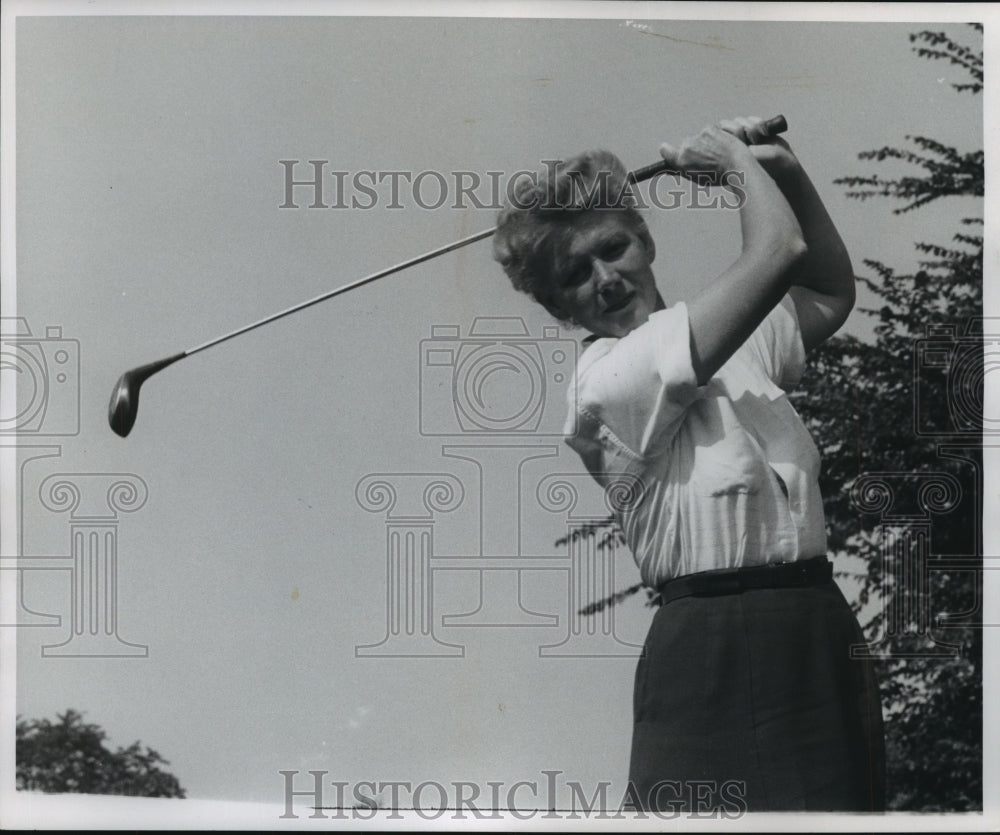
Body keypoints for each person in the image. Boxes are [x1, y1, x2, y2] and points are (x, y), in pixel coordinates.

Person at [492, 117, 886, 812]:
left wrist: (782, 167)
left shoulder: (725, 340)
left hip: (817, 622)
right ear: (558, 307)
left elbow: (826, 289)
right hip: (712, 642)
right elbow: (778, 246)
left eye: (613, 248)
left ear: (645, 240)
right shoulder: (607, 383)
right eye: (576, 275)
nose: (606, 279)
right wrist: (736, 165)